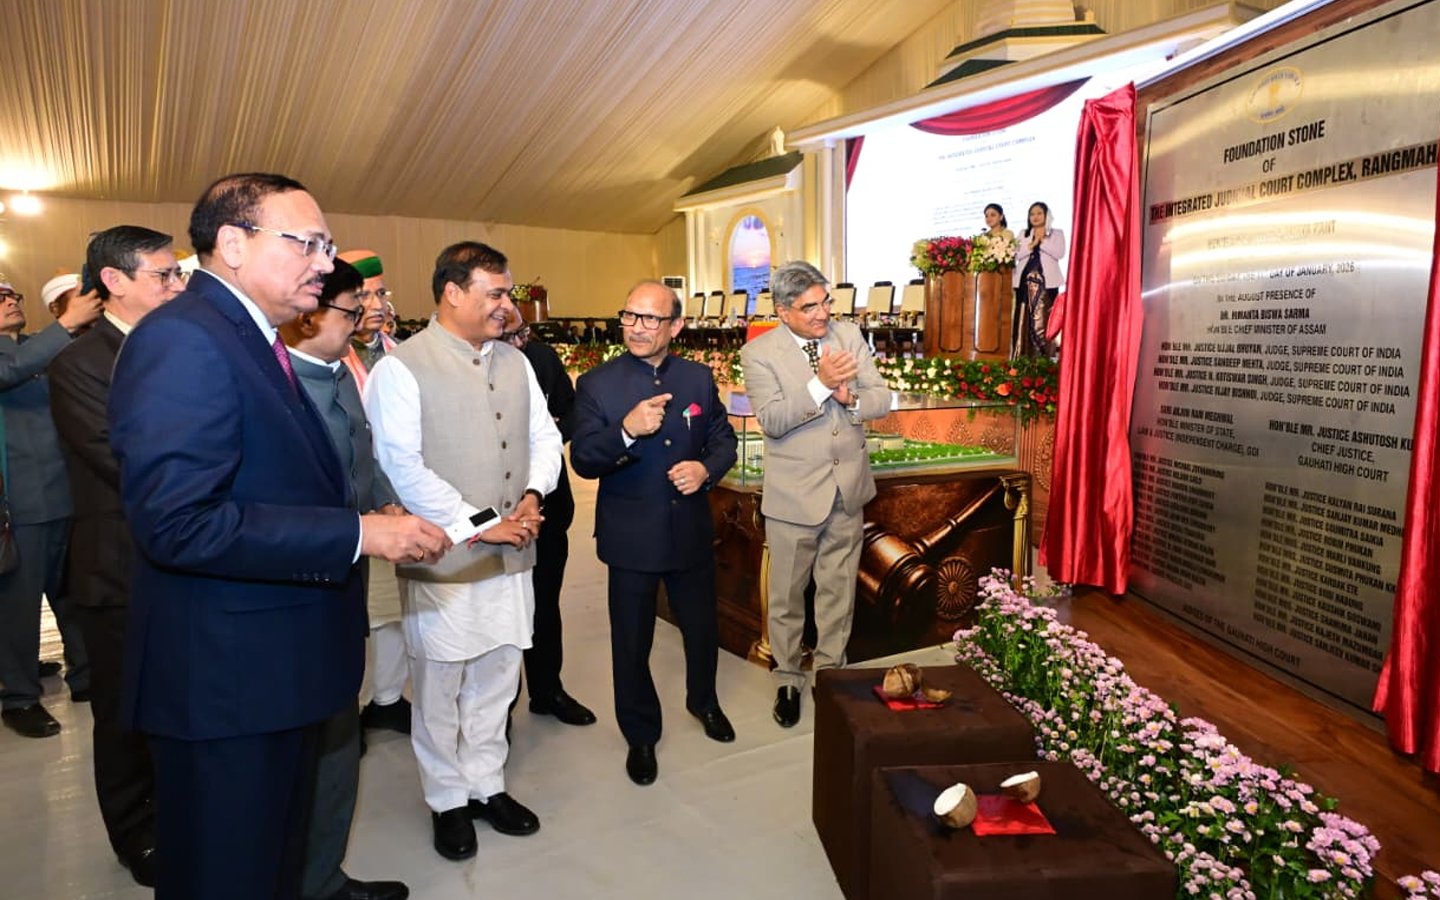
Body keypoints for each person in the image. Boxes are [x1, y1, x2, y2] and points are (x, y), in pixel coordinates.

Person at [106, 172, 448, 900]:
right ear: (233, 244)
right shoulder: (184, 340)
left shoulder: (249, 337)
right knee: (229, 873)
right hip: (228, 682)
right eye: (309, 244)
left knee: (274, 866)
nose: (326, 263)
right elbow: (179, 522)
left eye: (327, 245)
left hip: (271, 671)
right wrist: (356, 534)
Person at [364, 241, 560, 861]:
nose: (506, 305)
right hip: (444, 560)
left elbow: (544, 435)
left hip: (513, 552)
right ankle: (447, 799)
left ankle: (486, 785)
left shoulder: (516, 361)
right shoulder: (402, 367)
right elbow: (401, 465)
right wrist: (481, 525)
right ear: (452, 292)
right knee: (441, 685)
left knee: (499, 676)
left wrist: (533, 493)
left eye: (507, 294)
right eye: (494, 293)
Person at [47, 225, 183, 885]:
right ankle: (137, 833)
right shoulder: (80, 364)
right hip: (121, 565)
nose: (177, 286)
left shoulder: (178, 347)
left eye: (177, 273)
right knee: (125, 713)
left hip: (185, 557)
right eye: (164, 275)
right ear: (114, 281)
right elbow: (121, 460)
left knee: (178, 701)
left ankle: (182, 812)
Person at [570, 281, 738, 786]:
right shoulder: (597, 384)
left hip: (689, 530)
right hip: (631, 536)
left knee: (702, 629)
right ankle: (640, 733)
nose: (637, 328)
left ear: (676, 326)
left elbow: (723, 439)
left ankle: (704, 701)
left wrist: (705, 470)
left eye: (650, 319)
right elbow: (584, 459)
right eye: (630, 316)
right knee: (631, 640)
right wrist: (626, 430)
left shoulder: (697, 379)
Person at [280, 258, 410, 900]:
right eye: (351, 310)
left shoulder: (340, 374)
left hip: (343, 579)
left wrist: (385, 501)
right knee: (304, 745)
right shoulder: (278, 387)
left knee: (336, 735)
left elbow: (365, 458)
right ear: (308, 316)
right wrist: (363, 528)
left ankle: (323, 879)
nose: (362, 320)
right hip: (298, 589)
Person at [739, 261, 889, 729]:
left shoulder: (849, 336)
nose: (823, 313)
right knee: (786, 596)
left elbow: (882, 399)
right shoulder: (759, 353)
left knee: (838, 592)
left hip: (848, 491)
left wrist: (852, 399)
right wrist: (821, 385)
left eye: (826, 302)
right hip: (794, 498)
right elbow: (773, 420)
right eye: (809, 307)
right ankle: (788, 678)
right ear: (783, 311)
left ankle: (830, 674)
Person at [0, 275, 101, 739]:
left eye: (12, 295)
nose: (10, 302)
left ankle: (86, 674)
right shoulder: (28, 353)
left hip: (64, 493)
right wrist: (67, 323)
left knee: (72, 593)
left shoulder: (38, 348)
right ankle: (19, 696)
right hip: (19, 505)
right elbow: (10, 371)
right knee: (17, 607)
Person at [502, 312, 596, 727]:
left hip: (548, 507)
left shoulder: (540, 357)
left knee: (545, 603)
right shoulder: (470, 366)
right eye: (510, 336)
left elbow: (570, 411)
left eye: (523, 333)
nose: (519, 343)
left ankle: (547, 690)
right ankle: (500, 707)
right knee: (501, 612)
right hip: (496, 513)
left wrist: (551, 431)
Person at [334, 249, 411, 740]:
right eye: (364, 295)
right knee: (356, 614)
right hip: (353, 505)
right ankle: (348, 709)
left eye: (381, 293)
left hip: (402, 499)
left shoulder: (401, 352)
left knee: (392, 609)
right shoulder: (326, 354)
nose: (377, 305)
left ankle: (386, 699)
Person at [1011, 201, 1066, 359]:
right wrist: (1033, 241)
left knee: (1045, 320)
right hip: (1024, 282)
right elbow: (1016, 254)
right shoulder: (1023, 233)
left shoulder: (1056, 233)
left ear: (1046, 215)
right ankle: (1020, 356)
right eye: (1032, 214)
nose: (1035, 217)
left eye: (1039, 213)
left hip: (1048, 284)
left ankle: (1044, 358)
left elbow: (1060, 253)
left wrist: (1042, 241)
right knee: (1023, 319)